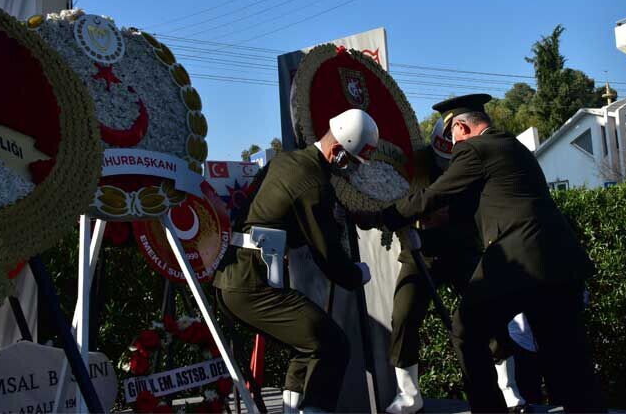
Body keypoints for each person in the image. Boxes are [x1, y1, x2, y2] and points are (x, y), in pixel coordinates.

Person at [379, 94, 602, 413]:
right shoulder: (512, 148)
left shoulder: (474, 148)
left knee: (466, 328)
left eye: (453, 136)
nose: (453, 145)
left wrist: (387, 214)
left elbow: (436, 193)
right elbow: (485, 201)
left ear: (459, 127)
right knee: (566, 359)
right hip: (560, 263)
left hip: (519, 261)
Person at [212, 109, 378, 414]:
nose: (351, 171)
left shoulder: (285, 161)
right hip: (253, 285)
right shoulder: (315, 183)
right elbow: (326, 254)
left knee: (307, 343)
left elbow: (275, 218)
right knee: (334, 344)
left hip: (236, 278)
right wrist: (356, 274)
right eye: (351, 163)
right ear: (337, 151)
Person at [385, 120, 525, 414]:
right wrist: (407, 227)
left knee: (489, 311)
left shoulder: (473, 157)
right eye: (440, 159)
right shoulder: (415, 162)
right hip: (420, 249)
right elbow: (397, 198)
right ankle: (408, 394)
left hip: (461, 245)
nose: (443, 165)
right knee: (404, 314)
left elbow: (476, 208)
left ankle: (508, 387)